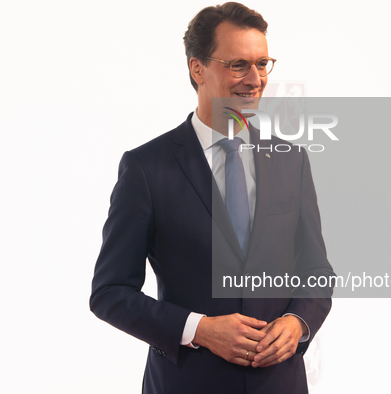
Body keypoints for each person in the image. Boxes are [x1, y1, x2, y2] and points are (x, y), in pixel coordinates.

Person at [90, 3, 334, 393]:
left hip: (279, 383)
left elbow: (316, 272)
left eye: (262, 63)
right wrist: (198, 329)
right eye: (238, 64)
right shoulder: (145, 168)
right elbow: (109, 292)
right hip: (188, 381)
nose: (254, 79)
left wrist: (297, 323)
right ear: (197, 68)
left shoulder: (293, 161)